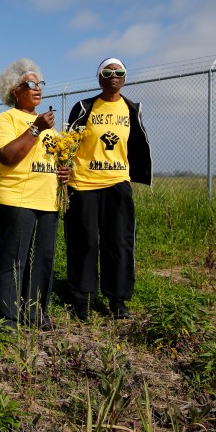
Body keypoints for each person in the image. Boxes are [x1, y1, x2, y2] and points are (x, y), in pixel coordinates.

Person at [64, 57, 152, 321]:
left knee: (119, 243)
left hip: (117, 185)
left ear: (124, 78)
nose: (113, 75)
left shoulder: (131, 109)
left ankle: (118, 300)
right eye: (107, 71)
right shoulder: (84, 107)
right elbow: (68, 143)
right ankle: (82, 301)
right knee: (84, 243)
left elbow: (136, 144)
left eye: (119, 72)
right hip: (83, 185)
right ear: (99, 77)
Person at [0, 58, 70, 330]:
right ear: (15, 90)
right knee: (14, 259)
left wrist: (64, 172)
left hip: (48, 201)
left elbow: (56, 162)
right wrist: (35, 128)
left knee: (42, 260)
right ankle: (7, 318)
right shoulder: (7, 119)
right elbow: (8, 156)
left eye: (40, 84)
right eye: (31, 84)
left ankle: (35, 312)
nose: (38, 89)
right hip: (16, 199)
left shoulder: (51, 130)